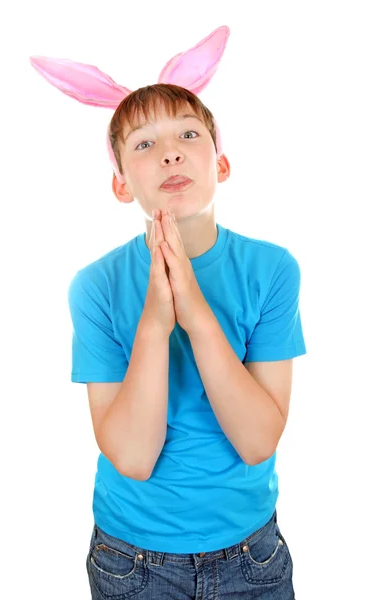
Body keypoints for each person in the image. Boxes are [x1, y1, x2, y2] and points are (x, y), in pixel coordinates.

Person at [31, 26, 306, 599]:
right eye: (144, 145)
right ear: (120, 184)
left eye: (187, 134)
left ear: (221, 164)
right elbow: (131, 455)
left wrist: (196, 313)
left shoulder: (273, 269)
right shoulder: (97, 286)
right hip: (132, 562)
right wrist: (155, 324)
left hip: (252, 557)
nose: (171, 152)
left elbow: (259, 440)